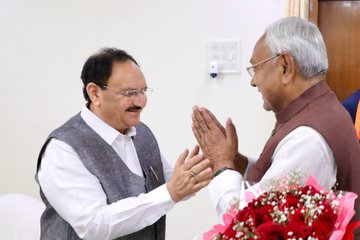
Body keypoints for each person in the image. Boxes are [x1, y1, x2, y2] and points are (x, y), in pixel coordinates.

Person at [191, 17, 360, 230]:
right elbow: (279, 180)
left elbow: (251, 225)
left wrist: (221, 165)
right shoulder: (319, 109)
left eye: (256, 68)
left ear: (285, 66)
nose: (253, 81)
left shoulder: (308, 137)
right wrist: (237, 161)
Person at [35, 48, 213, 240]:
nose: (141, 101)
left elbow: (173, 185)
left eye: (143, 91)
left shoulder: (142, 133)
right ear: (94, 93)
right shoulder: (63, 148)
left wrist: (213, 163)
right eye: (129, 93)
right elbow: (94, 225)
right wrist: (172, 191)